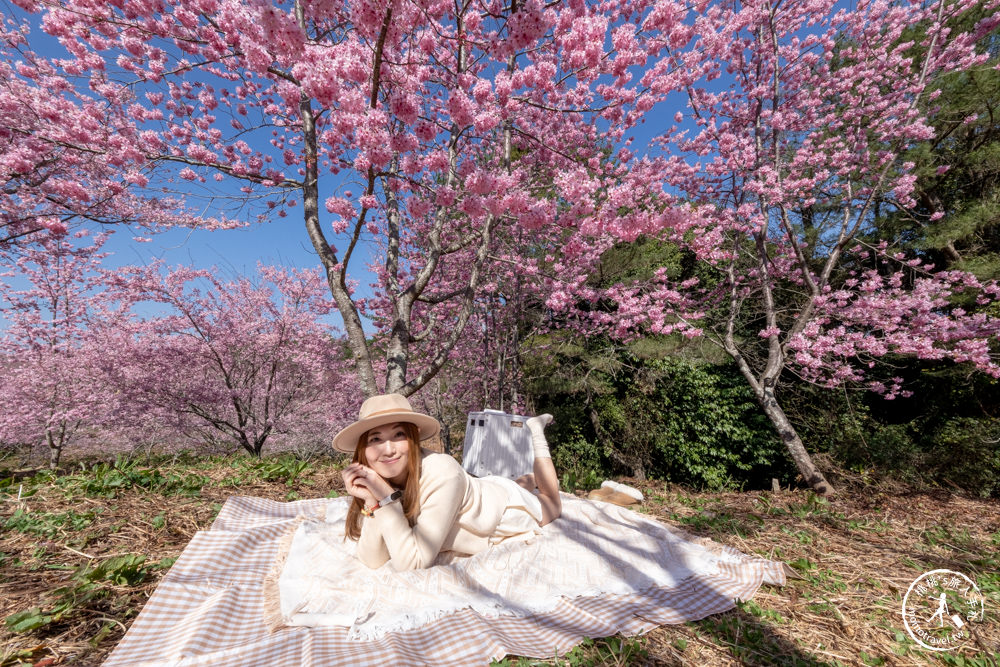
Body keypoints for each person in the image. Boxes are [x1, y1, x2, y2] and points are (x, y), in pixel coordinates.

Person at [333, 393, 561, 571]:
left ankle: (537, 432)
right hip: (479, 490)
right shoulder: (379, 478)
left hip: (501, 510)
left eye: (399, 435)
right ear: (363, 447)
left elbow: (413, 563)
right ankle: (527, 480)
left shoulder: (443, 470)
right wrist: (374, 500)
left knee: (552, 501)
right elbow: (372, 559)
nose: (389, 449)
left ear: (414, 436)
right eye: (375, 439)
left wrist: (387, 500)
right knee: (511, 483)